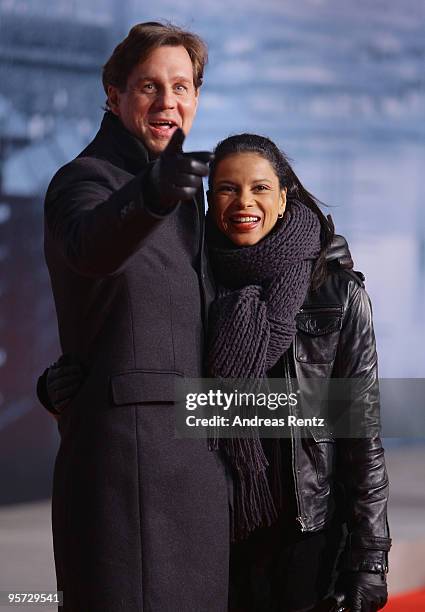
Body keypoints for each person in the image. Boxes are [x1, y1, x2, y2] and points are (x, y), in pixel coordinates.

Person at [38, 20, 355, 612]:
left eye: (181, 87)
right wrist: (151, 195)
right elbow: (91, 246)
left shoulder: (192, 204)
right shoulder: (86, 180)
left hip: (206, 485)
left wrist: (318, 256)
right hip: (131, 484)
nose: (168, 102)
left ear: (197, 98)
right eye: (149, 86)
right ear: (113, 93)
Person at [204, 134, 391, 612]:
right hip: (205, 531)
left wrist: (369, 558)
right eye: (226, 189)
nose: (243, 202)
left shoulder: (338, 294)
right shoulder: (191, 285)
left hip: (306, 536)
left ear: (284, 196)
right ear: (209, 199)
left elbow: (360, 436)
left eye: (260, 188)